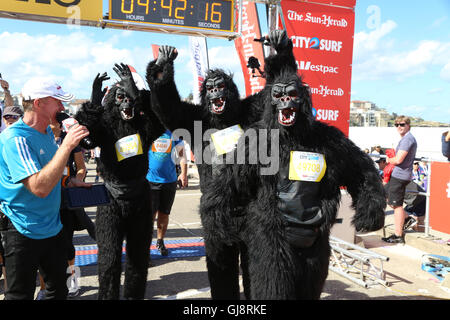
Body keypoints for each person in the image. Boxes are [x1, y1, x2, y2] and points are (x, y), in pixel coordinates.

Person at [0, 77, 91, 300]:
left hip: (52, 226)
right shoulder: (15, 138)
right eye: (57, 101)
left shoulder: (47, 133)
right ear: (39, 103)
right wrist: (67, 145)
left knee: (57, 290)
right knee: (20, 295)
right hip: (22, 230)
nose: (62, 107)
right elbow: (38, 187)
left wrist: (68, 182)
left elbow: (50, 172)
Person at [147, 130, 187, 256]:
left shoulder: (173, 133)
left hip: (169, 181)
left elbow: (181, 154)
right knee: (149, 216)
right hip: (150, 181)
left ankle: (160, 241)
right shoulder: (148, 130)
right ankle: (145, 247)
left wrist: (184, 174)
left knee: (164, 214)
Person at [382, 116, 417, 244]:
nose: (399, 127)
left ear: (408, 125)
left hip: (400, 176)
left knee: (396, 205)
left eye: (402, 124)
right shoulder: (406, 139)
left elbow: (398, 160)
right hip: (399, 175)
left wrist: (388, 160)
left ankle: (398, 235)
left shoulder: (407, 139)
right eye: (396, 125)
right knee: (386, 196)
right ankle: (407, 218)